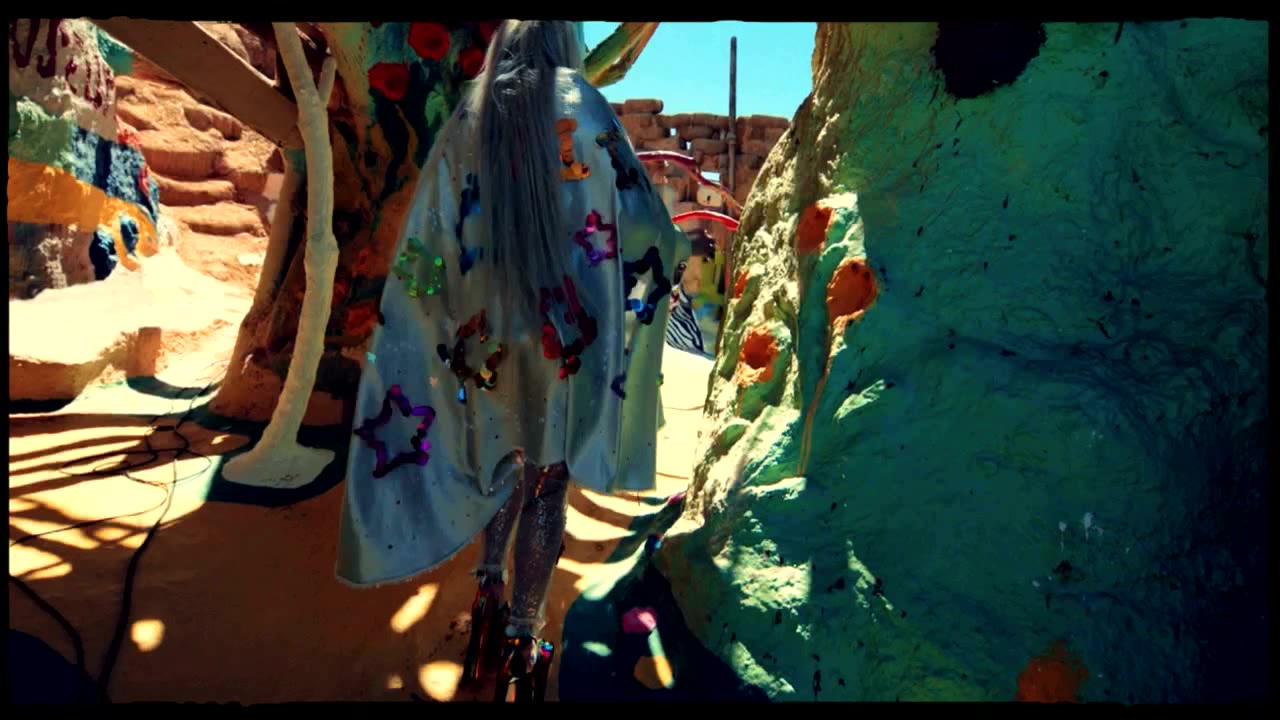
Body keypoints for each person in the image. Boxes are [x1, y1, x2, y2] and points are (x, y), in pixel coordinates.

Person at [334, 20, 689, 701]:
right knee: (547, 483)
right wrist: (660, 261)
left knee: (501, 461)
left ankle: (487, 595)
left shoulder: (471, 112)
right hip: (564, 336)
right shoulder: (585, 105)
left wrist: (431, 314)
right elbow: (643, 217)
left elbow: (431, 229)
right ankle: (525, 639)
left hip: (483, 335)